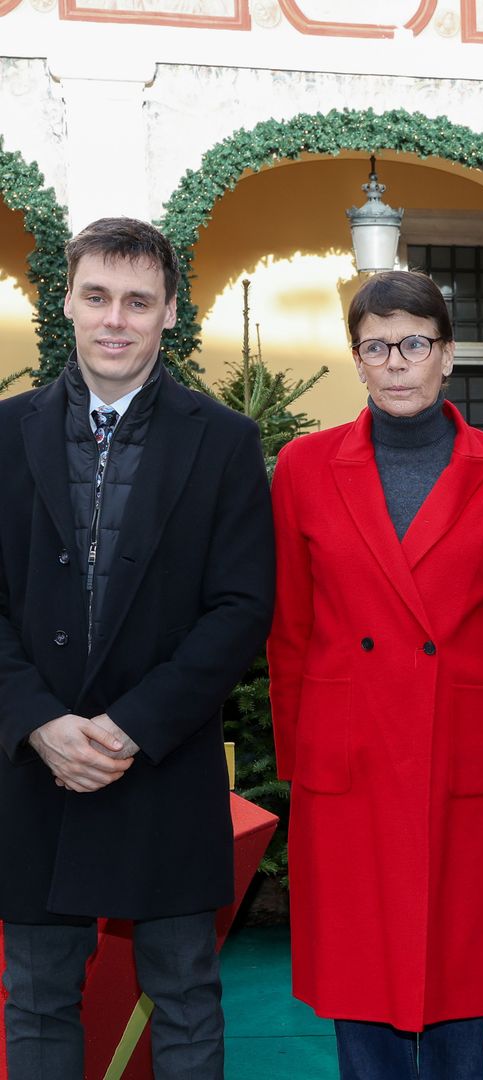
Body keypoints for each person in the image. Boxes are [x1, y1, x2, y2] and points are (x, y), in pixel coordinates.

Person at [0, 217, 275, 1079]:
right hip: (33, 764)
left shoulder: (224, 441)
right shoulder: (3, 436)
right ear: (68, 305)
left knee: (187, 994)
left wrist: (128, 727)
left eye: (137, 301)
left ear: (167, 315)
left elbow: (239, 607)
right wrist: (39, 721)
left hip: (158, 760)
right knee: (36, 997)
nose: (115, 319)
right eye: (97, 297)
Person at [268, 270, 483, 1080]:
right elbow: (290, 628)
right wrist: (302, 767)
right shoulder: (305, 468)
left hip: (460, 753)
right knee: (361, 984)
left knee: (457, 982)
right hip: (345, 763)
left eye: (414, 344)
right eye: (377, 346)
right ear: (357, 358)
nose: (396, 362)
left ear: (447, 355)